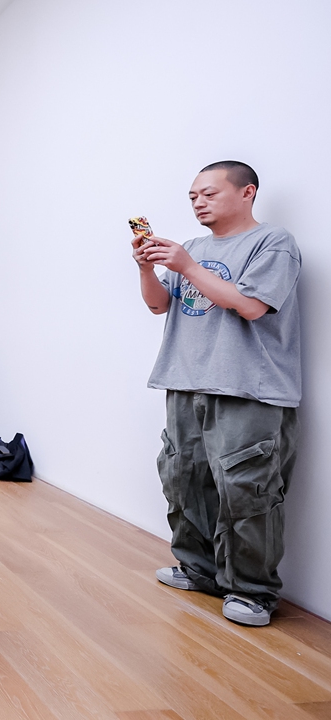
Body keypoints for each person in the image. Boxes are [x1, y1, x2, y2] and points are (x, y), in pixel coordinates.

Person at [135, 161, 300, 628]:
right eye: (192, 197)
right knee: (183, 480)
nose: (198, 203)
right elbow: (158, 304)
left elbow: (250, 305)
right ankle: (200, 570)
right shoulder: (191, 247)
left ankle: (252, 591)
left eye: (208, 193)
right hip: (185, 380)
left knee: (247, 490)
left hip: (250, 388)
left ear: (247, 192)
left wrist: (185, 265)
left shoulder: (273, 242)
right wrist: (148, 268)